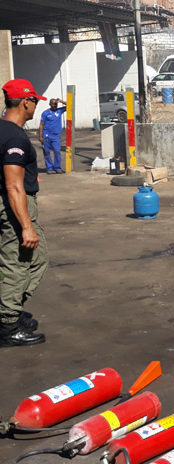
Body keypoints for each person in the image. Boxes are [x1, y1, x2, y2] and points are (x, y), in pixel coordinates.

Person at [0, 79, 48, 346]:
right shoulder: (15, 137)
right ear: (25, 102)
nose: (35, 106)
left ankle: (9, 308)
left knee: (37, 259)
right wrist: (26, 225)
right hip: (14, 207)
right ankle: (7, 326)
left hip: (9, 204)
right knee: (19, 264)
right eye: (34, 101)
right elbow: (13, 185)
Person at [38, 97, 66, 173]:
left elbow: (70, 106)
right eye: (53, 104)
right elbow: (41, 125)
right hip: (46, 135)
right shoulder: (45, 113)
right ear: (50, 104)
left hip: (56, 135)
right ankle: (49, 168)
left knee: (57, 151)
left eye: (56, 104)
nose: (55, 105)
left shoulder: (60, 111)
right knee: (47, 152)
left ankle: (57, 167)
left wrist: (61, 101)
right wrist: (40, 136)